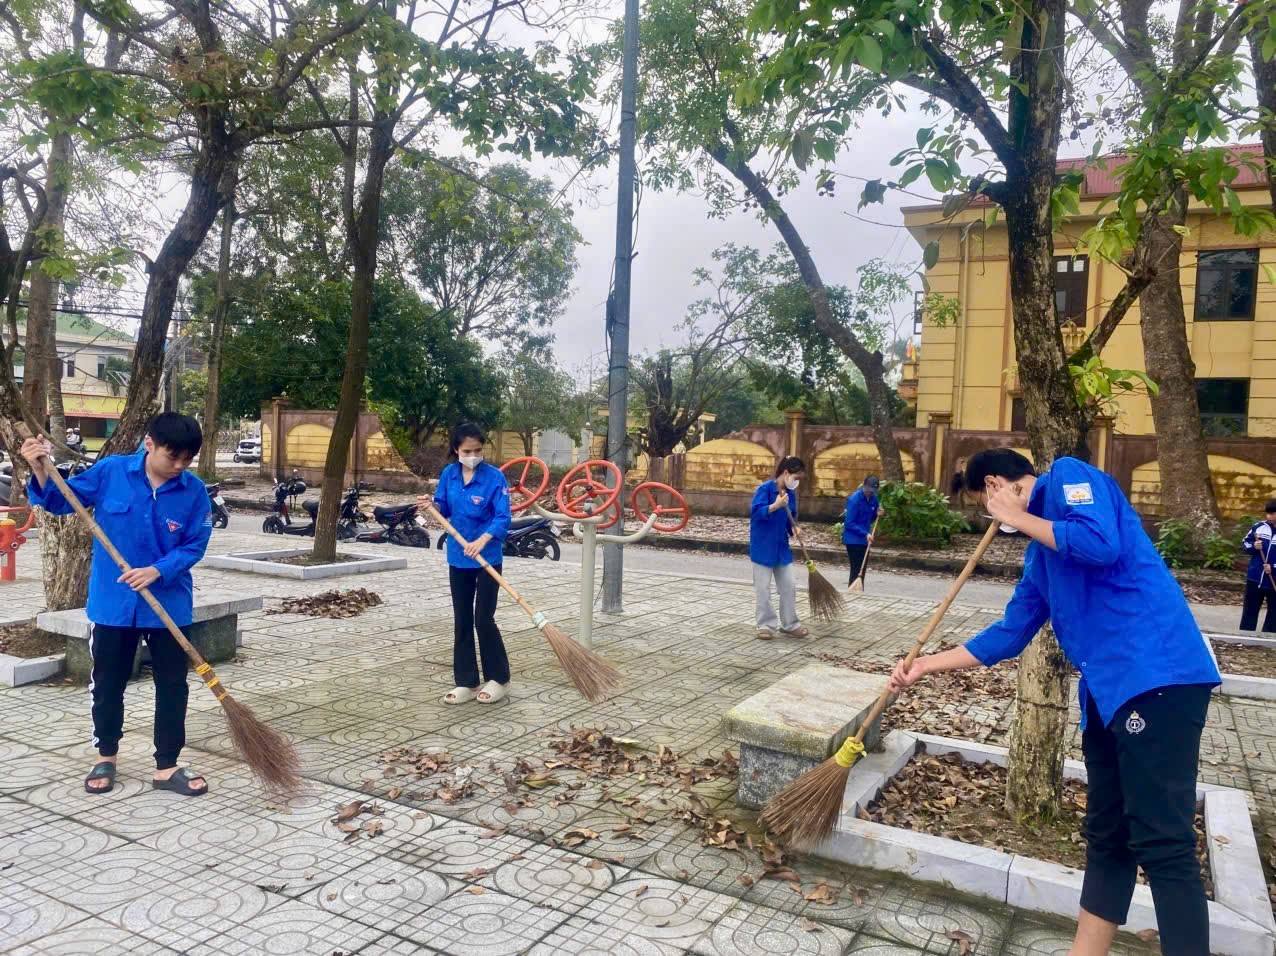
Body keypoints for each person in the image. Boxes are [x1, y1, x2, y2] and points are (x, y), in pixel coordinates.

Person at [887, 448, 1221, 956]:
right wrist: (924, 666)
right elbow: (1009, 634)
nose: (992, 519)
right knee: (1107, 836)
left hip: (1157, 678)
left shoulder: (1068, 476)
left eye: (985, 504)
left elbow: (1101, 544)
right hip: (1107, 696)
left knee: (1163, 844)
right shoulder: (1040, 556)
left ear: (996, 484)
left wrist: (1018, 515)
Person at [20, 413, 213, 797]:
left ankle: (167, 765)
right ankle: (105, 755)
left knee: (173, 686)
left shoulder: (193, 492)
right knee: (108, 683)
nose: (179, 466)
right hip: (113, 603)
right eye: (172, 456)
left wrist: (157, 571)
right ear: (150, 444)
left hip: (168, 604)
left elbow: (195, 544)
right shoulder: (111, 472)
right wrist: (40, 468)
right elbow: (60, 500)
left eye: (187, 459)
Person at [419, 423, 512, 705]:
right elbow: (443, 509)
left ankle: (499, 678)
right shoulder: (449, 474)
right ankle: (467, 681)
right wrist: (430, 506)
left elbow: (502, 517)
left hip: (487, 559)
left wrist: (482, 541)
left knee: (483, 618)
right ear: (456, 450)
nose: (473, 456)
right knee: (462, 619)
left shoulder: (494, 478)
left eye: (478, 450)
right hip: (458, 557)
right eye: (467, 451)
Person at [749, 456, 809, 640]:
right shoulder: (765, 489)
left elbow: (791, 518)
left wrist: (795, 529)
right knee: (763, 588)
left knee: (789, 585)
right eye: (796, 477)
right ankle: (766, 625)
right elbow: (756, 513)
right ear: (786, 472)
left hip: (781, 547)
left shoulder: (791, 494)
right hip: (762, 546)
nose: (797, 481)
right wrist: (775, 506)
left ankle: (790, 624)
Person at [1239, 501, 1276, 633]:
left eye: (1272, 513)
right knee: (1250, 611)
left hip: (1274, 580)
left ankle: (1269, 638)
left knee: (1274, 614)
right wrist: (1254, 546)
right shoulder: (1258, 527)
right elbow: (1245, 544)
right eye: (1268, 513)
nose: (1269, 516)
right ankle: (1245, 637)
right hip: (1255, 578)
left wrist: (1274, 568)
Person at [843, 475, 884, 588]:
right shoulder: (854, 500)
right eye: (868, 490)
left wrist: (878, 514)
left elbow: (872, 518)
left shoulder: (874, 499)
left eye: (873, 491)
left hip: (866, 540)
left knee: (862, 570)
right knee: (856, 569)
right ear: (864, 486)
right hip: (853, 540)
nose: (870, 493)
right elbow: (849, 523)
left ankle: (859, 590)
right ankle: (852, 591)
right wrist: (865, 533)